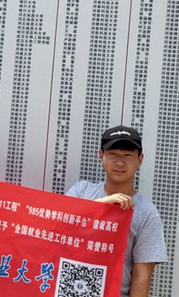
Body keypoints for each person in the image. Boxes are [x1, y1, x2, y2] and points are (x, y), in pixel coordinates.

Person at [66, 125, 167, 297]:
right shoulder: (81, 191)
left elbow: (141, 277)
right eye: (113, 154)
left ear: (140, 159)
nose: (120, 162)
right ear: (101, 155)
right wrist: (103, 204)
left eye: (128, 155)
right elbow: (57, 222)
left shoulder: (146, 212)